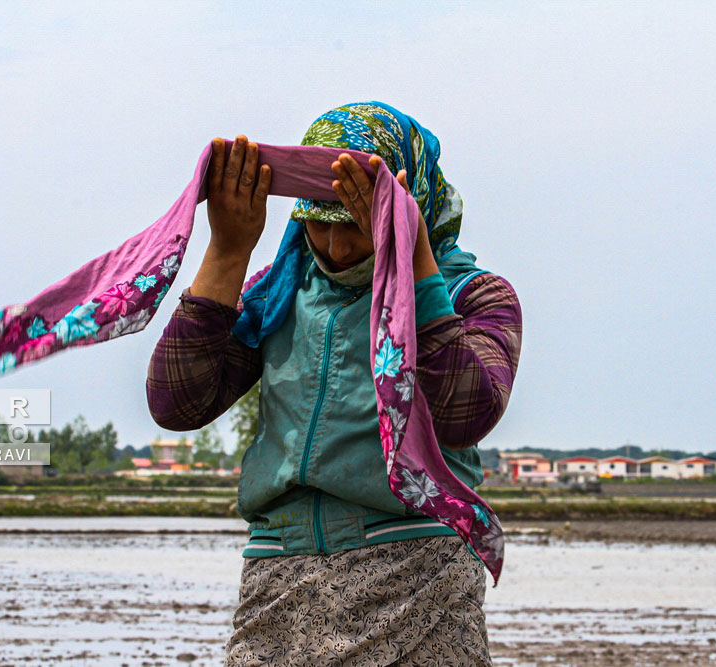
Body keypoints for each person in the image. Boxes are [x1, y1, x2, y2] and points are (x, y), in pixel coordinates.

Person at [147, 102, 522, 665]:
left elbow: (464, 413)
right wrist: (227, 250)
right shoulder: (278, 296)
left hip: (414, 573)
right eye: (317, 222)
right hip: (280, 573)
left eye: (355, 223)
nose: (336, 247)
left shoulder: (475, 297)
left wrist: (410, 256)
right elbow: (177, 401)